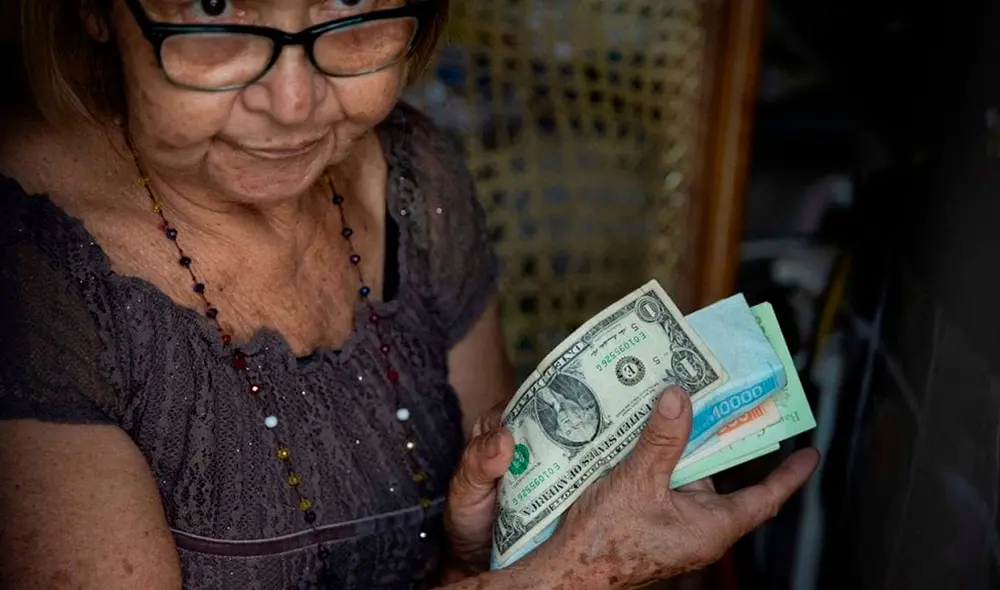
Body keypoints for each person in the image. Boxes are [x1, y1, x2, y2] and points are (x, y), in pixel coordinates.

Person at [0, 0, 820, 588]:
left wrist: (477, 550)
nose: (294, 102)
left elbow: (504, 526)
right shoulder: (30, 275)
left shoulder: (413, 179)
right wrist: (571, 575)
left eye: (354, 3)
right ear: (97, 10)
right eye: (217, 7)